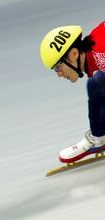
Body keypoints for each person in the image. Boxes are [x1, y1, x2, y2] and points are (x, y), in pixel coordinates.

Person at [40, 22, 105, 163]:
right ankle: (99, 138)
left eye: (58, 67)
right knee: (95, 84)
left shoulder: (101, 53)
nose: (59, 74)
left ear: (74, 54)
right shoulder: (96, 51)